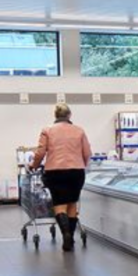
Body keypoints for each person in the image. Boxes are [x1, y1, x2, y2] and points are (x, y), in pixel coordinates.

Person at [30, 103, 92, 252]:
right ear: (69, 115)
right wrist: (80, 164)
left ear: (55, 115)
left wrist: (34, 165)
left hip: (55, 172)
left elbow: (40, 152)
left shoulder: (47, 130)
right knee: (72, 204)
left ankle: (65, 235)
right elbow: (87, 153)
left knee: (59, 205)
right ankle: (70, 235)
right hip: (76, 172)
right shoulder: (79, 131)